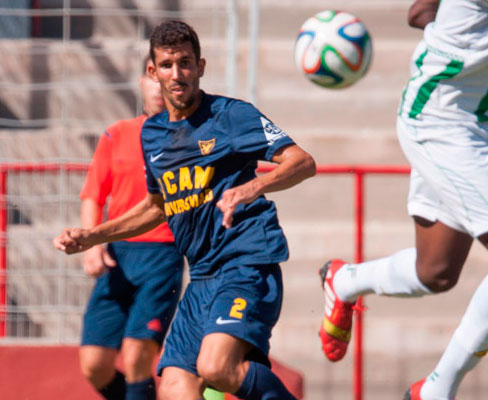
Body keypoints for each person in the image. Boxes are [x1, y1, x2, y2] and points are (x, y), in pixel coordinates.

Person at [54, 20, 316, 400]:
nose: (177, 74)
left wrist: (252, 186)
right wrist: (92, 235)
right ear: (152, 71)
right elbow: (156, 208)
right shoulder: (152, 134)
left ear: (201, 67)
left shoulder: (229, 116)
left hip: (245, 264)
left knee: (216, 367)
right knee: (174, 388)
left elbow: (302, 162)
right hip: (202, 277)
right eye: (166, 65)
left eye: (186, 63)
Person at [317, 0, 488, 399]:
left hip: (472, 122)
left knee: (436, 270)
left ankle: (344, 280)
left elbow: (420, 11)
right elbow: (421, 11)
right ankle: (436, 390)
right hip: (440, 120)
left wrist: (456, 37)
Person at [77, 57, 184, 400]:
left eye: (166, 76)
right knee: (94, 364)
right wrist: (93, 246)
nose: (159, 85)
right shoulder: (117, 134)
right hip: (117, 255)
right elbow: (93, 196)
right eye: (153, 76)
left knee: (139, 353)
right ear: (142, 81)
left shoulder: (188, 137)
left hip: (163, 254)